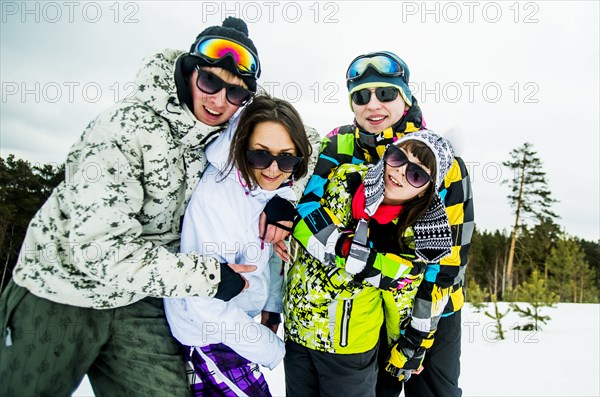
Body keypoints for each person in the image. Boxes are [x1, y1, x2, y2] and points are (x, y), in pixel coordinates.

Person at [0, 17, 319, 396]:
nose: (219, 100)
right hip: (62, 290)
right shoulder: (122, 129)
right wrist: (210, 277)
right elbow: (99, 251)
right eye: (210, 82)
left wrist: (284, 197)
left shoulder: (230, 124)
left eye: (235, 93)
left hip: (143, 299)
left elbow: (306, 142)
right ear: (188, 71)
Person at [287, 51, 474, 397]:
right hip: (363, 313)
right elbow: (307, 209)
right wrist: (358, 257)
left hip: (432, 309)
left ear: (404, 96)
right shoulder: (337, 144)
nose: (373, 105)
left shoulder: (442, 161)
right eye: (362, 96)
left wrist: (417, 339)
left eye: (386, 93)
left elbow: (448, 263)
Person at [285, 130, 455, 396]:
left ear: (426, 191)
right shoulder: (347, 180)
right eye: (398, 158)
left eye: (416, 174)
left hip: (348, 345)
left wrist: (409, 350)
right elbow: (304, 215)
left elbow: (403, 293)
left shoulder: (414, 235)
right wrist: (344, 247)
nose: (399, 173)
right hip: (298, 333)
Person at [164, 93, 312, 396]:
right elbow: (204, 303)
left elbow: (266, 251)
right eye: (260, 155)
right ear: (242, 147)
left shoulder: (261, 189)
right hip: (208, 335)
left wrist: (271, 307)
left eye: (286, 158)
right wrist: (269, 347)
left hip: (234, 327)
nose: (273, 169)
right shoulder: (220, 202)